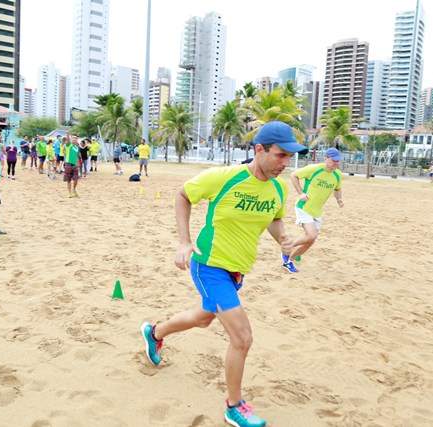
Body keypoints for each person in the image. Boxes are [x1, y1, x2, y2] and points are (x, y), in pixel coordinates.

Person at [140, 121, 307, 427]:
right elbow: (182, 195)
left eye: (289, 157)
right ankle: (234, 406)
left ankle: (155, 332)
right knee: (242, 338)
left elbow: (274, 219)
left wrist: (282, 239)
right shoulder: (225, 177)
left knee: (204, 318)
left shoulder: (277, 188)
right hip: (209, 265)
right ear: (259, 150)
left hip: (238, 270)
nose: (286, 164)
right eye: (280, 155)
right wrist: (184, 241)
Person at [282, 147, 344, 273]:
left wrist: (339, 200)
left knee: (311, 240)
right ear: (326, 159)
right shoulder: (314, 169)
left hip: (317, 211)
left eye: (338, 161)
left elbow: (337, 189)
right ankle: (288, 248)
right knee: (311, 235)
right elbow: (294, 175)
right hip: (304, 207)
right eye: (334, 160)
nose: (336, 163)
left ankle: (289, 261)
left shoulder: (337, 175)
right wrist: (301, 193)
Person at [64, 133, 82, 197]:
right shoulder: (69, 145)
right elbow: (68, 140)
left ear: (77, 140)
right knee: (68, 180)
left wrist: (78, 164)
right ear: (71, 139)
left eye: (76, 138)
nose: (74, 139)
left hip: (75, 165)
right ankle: (69, 193)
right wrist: (67, 134)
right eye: (73, 138)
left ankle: (74, 190)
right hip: (68, 164)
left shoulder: (77, 148)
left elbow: (77, 157)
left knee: (76, 179)